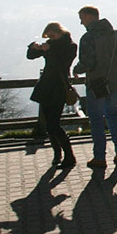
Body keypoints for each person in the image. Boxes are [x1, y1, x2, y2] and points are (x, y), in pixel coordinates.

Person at [72, 6, 117, 170]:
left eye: (82, 17)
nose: (81, 22)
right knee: (112, 114)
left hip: (96, 83)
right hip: (113, 82)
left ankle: (99, 156)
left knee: (96, 119)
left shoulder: (88, 38)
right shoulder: (116, 35)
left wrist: (77, 69)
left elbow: (88, 62)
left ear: (89, 17)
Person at [27, 22, 78, 168]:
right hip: (46, 87)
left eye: (52, 35)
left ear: (59, 32)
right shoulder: (50, 45)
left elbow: (62, 63)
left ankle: (69, 155)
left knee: (54, 124)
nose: (51, 38)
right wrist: (34, 47)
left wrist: (49, 50)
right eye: (49, 36)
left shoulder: (70, 46)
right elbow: (31, 56)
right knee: (49, 125)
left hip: (59, 87)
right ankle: (57, 154)